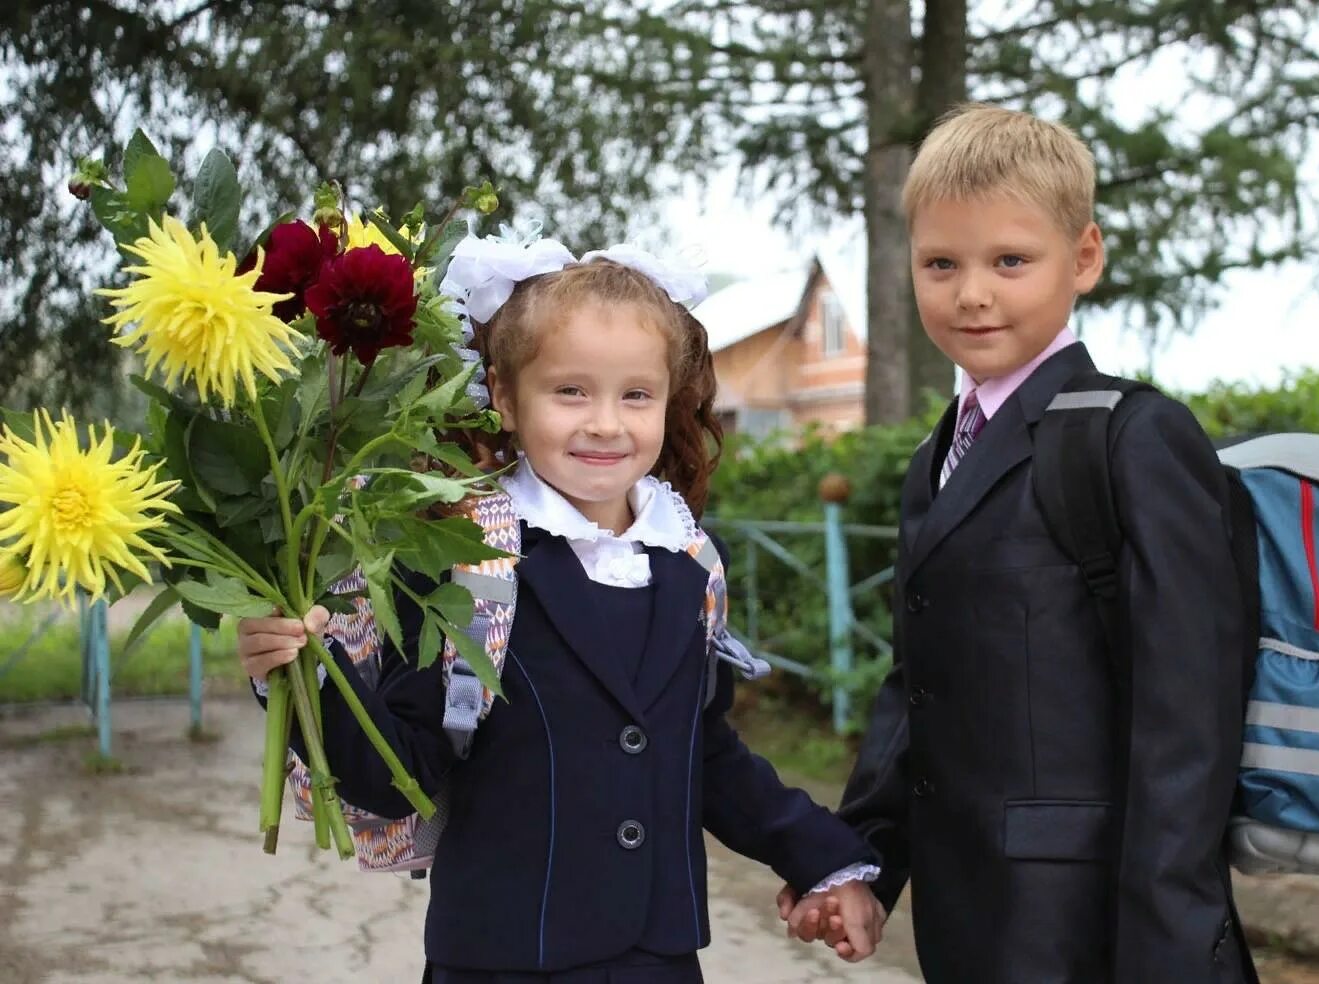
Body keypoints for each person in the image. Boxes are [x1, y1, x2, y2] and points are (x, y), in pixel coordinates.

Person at [237, 240, 886, 983]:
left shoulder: (690, 563)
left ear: (669, 399)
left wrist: (826, 858)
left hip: (660, 959)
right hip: (503, 958)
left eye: (635, 395)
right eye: (570, 392)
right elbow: (398, 773)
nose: (606, 423)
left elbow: (705, 752)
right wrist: (304, 677)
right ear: (505, 398)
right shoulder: (459, 557)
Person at [780, 104, 1260, 982]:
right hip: (972, 923)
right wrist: (866, 863)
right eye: (941, 264)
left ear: (1082, 258)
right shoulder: (940, 455)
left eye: (1010, 260)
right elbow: (919, 680)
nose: (972, 292)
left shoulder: (1135, 437)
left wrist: (1169, 946)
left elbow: (1188, 718)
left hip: (1100, 929)